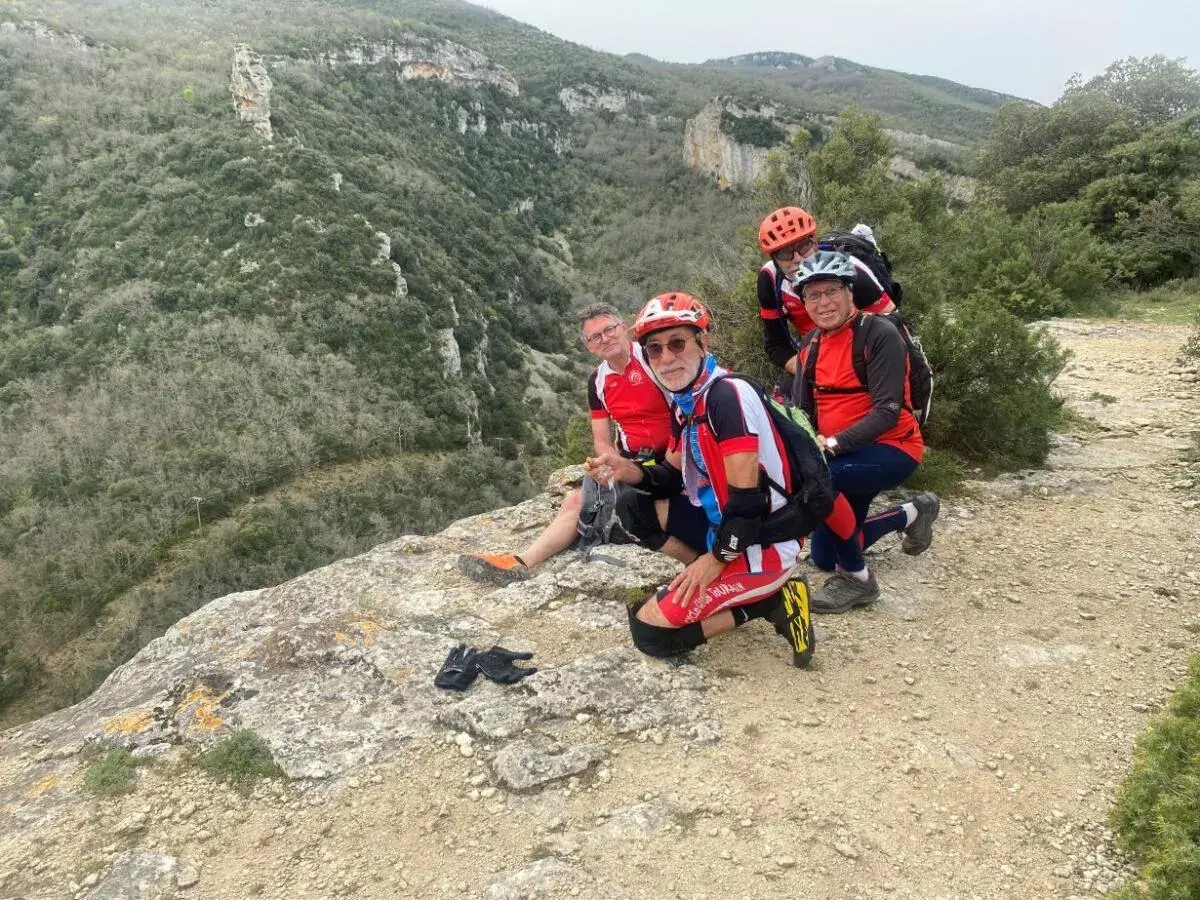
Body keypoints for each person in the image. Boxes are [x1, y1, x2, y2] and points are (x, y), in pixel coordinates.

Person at [588, 293, 815, 668]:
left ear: (701, 343)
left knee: (650, 635)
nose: (666, 358)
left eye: (677, 343)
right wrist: (627, 470)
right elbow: (668, 476)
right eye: (655, 349)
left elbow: (747, 503)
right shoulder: (690, 400)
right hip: (724, 527)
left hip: (762, 542)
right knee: (635, 505)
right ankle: (724, 584)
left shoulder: (726, 399)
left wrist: (713, 561)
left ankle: (768, 601)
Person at [458, 304, 701, 584]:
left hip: (674, 459)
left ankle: (692, 560)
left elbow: (687, 412)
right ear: (589, 347)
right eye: (595, 337)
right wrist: (610, 463)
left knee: (633, 507)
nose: (605, 338)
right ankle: (520, 564)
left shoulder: (655, 360)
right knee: (576, 500)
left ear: (624, 328)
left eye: (609, 329)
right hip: (632, 460)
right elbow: (601, 439)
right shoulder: (597, 381)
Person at [789, 251, 939, 614]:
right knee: (826, 556)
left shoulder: (879, 333)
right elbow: (801, 409)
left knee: (823, 483)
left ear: (850, 292)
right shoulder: (811, 344)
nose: (823, 302)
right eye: (813, 295)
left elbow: (888, 411)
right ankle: (912, 514)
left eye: (831, 291)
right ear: (804, 303)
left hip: (892, 448)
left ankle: (858, 581)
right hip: (845, 455)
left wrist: (833, 446)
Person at [756, 206, 896, 380]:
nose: (797, 258)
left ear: (815, 241)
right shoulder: (770, 279)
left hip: (864, 352)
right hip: (816, 355)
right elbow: (777, 345)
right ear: (774, 259)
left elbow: (893, 325)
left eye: (803, 246)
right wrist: (815, 373)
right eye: (785, 253)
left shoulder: (849, 268)